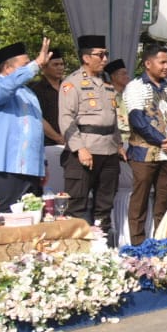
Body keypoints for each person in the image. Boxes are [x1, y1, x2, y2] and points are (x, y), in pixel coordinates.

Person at [59, 35, 121, 242]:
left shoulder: (107, 82)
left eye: (106, 54)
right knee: (77, 203)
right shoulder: (72, 83)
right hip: (85, 148)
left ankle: (103, 246)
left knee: (105, 202)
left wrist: (119, 143)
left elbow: (113, 117)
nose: (105, 59)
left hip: (109, 149)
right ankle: (75, 248)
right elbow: (66, 118)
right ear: (86, 57)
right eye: (100, 54)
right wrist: (79, 148)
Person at [0, 38, 52, 211]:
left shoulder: (28, 93)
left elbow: (36, 129)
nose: (30, 68)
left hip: (30, 168)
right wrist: (36, 65)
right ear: (8, 67)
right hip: (4, 168)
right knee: (5, 221)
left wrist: (43, 164)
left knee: (31, 222)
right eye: (25, 65)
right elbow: (6, 87)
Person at [123, 44, 167, 245]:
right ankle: (138, 244)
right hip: (144, 153)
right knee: (140, 199)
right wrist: (163, 141)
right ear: (148, 64)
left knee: (165, 199)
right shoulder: (135, 87)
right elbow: (138, 121)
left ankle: (162, 240)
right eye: (163, 62)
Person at [30, 48, 67, 146]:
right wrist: (58, 138)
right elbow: (37, 117)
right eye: (55, 65)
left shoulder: (69, 87)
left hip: (71, 142)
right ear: (44, 68)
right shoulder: (36, 89)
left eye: (61, 64)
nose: (60, 68)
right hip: (47, 143)